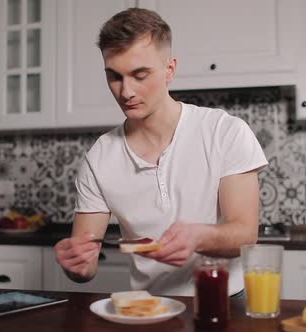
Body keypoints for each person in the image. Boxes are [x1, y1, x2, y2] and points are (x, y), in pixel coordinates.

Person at [54, 8, 267, 296]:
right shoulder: (99, 158)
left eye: (139, 75)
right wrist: (75, 264)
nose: (125, 91)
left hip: (228, 299)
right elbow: (86, 265)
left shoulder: (225, 131)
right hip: (149, 307)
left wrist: (198, 236)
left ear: (170, 70)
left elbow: (245, 233)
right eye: (114, 76)